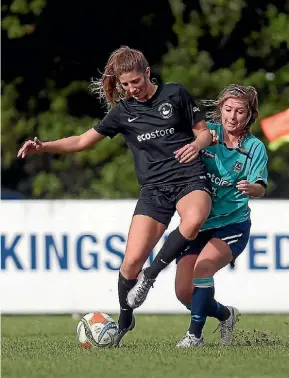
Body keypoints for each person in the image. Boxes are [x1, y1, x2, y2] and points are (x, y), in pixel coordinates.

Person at [17, 45, 214, 346]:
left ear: (148, 72)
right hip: (154, 190)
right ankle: (124, 319)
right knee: (130, 262)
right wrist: (43, 146)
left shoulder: (175, 94)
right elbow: (82, 141)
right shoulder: (123, 112)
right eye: (125, 84)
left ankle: (151, 275)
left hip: (189, 178)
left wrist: (197, 145)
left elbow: (204, 132)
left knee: (194, 219)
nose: (132, 88)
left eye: (136, 81)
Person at [128, 84, 268, 347]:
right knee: (184, 291)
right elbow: (181, 134)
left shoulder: (254, 147)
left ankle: (195, 336)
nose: (233, 117)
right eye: (228, 109)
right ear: (220, 110)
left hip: (231, 225)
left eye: (240, 111)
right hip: (199, 224)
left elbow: (260, 186)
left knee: (203, 268)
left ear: (250, 116)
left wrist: (252, 188)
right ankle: (226, 314)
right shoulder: (208, 134)